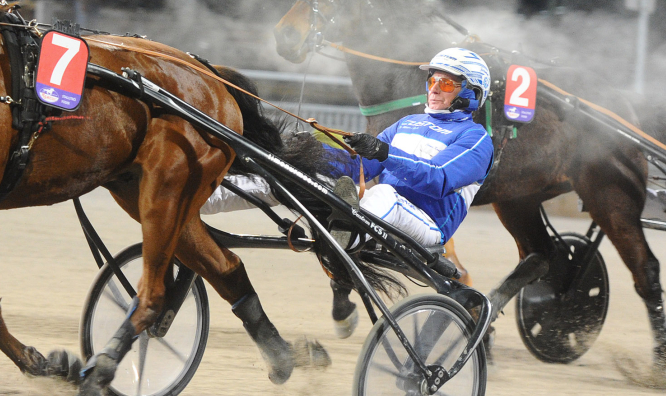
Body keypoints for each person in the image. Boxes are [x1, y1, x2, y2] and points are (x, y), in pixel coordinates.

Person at [205, 48, 493, 250]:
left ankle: (348, 240)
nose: (434, 88)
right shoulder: (408, 122)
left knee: (384, 193)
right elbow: (361, 169)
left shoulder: (475, 138)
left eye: (446, 83)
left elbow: (438, 180)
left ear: (471, 93)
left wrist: (384, 152)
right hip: (378, 214)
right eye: (432, 79)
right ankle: (206, 198)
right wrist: (315, 152)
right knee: (296, 176)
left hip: (427, 224)